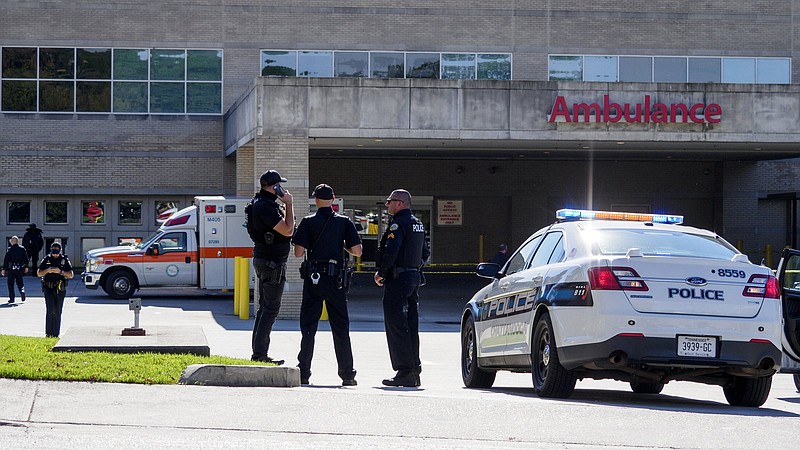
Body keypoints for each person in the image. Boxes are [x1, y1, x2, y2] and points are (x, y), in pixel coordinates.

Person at [292, 184, 363, 386]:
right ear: (333, 199)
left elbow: (298, 253)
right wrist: (340, 244)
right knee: (341, 327)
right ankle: (347, 374)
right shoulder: (344, 222)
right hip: (336, 281)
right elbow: (357, 251)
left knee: (308, 327)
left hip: (313, 279)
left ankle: (304, 372)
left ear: (315, 200)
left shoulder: (307, 222)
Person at [374, 189, 430, 387]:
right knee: (411, 325)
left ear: (400, 203)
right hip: (413, 278)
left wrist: (382, 272)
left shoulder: (398, 224)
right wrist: (413, 268)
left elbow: (392, 250)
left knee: (396, 325)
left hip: (398, 279)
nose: (387, 204)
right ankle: (414, 369)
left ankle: (405, 371)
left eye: (390, 201)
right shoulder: (418, 224)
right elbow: (425, 252)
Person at [246, 169, 294, 365]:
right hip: (272, 262)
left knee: (264, 308)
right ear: (274, 187)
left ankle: (258, 353)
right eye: (279, 185)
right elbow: (288, 230)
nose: (282, 188)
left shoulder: (259, 203)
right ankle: (260, 354)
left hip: (265, 260)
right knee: (271, 308)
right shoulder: (266, 207)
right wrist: (289, 204)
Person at [37, 242, 74, 337]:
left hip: (59, 288)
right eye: (53, 252)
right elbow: (39, 273)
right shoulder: (47, 259)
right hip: (48, 288)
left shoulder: (64, 260)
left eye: (57, 253)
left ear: (60, 251)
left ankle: (56, 333)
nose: (55, 255)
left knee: (57, 310)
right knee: (50, 310)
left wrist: (60, 272)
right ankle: (49, 333)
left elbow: (71, 275)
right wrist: (47, 270)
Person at [2, 236, 29, 303]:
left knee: (10, 284)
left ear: (12, 242)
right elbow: (26, 259)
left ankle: (12, 298)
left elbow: (6, 260)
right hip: (19, 268)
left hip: (12, 268)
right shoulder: (22, 249)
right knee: (20, 282)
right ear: (17, 241)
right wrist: (26, 267)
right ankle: (22, 291)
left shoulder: (10, 249)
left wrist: (4, 269)